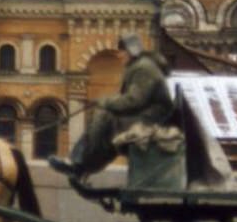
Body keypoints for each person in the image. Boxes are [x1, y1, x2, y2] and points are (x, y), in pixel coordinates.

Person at [48, 33, 175, 181]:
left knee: (105, 118)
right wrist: (106, 101)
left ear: (131, 51)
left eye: (122, 52)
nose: (119, 56)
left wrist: (106, 102)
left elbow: (134, 100)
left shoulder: (143, 68)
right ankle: (80, 164)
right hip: (148, 115)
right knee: (105, 121)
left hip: (152, 119)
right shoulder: (141, 66)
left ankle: (79, 165)